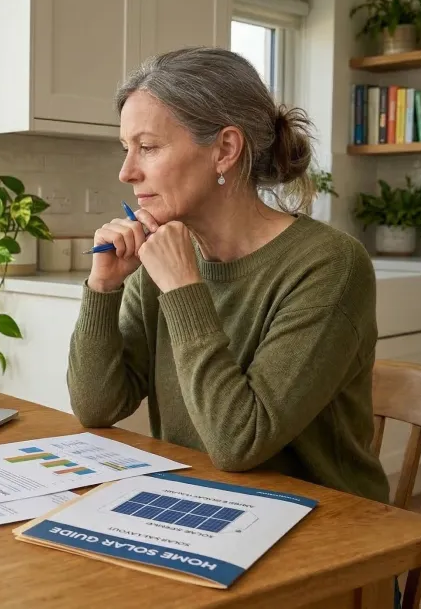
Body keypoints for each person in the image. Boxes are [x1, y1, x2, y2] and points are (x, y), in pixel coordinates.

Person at [67, 46, 390, 506]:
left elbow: (240, 442)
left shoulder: (330, 264)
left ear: (225, 149)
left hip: (325, 524)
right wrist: (104, 288)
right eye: (126, 149)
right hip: (197, 503)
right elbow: (97, 407)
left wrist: (183, 288)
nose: (126, 172)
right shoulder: (164, 256)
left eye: (148, 147)